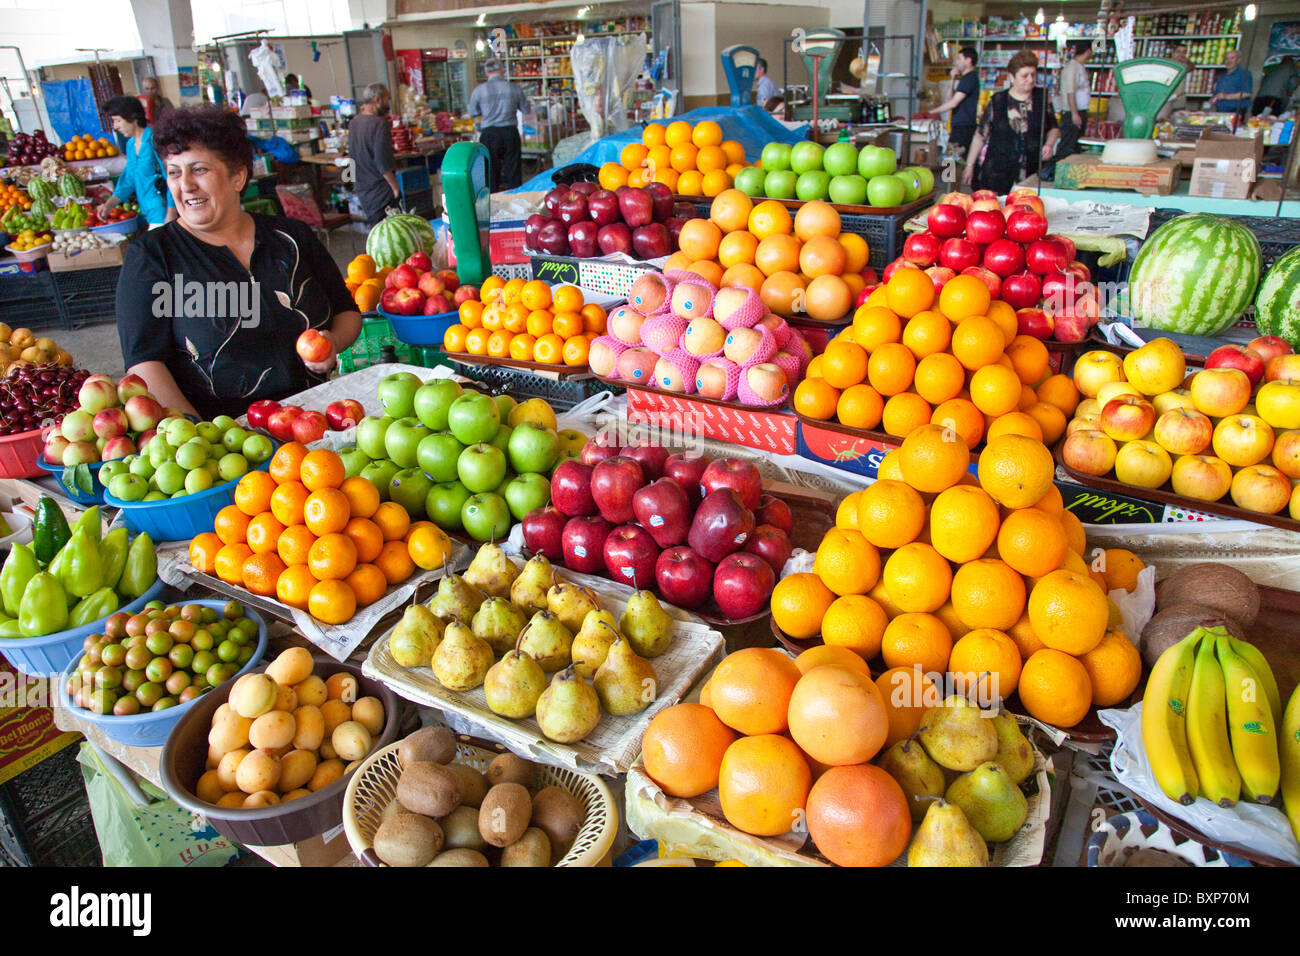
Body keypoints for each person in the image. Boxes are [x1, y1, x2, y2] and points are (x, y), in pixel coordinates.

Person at [114, 105, 361, 421]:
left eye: (199, 169)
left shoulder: (292, 238)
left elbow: (346, 311)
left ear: (238, 176)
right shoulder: (153, 256)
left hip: (316, 418)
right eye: (174, 171)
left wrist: (333, 342)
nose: (185, 184)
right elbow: (144, 363)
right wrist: (201, 436)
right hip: (224, 437)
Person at [962, 50, 1059, 194]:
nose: (1030, 79)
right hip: (997, 173)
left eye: (1033, 74)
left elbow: (1054, 128)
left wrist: (1049, 144)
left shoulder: (1042, 98)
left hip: (1031, 173)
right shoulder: (998, 101)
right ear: (1012, 77)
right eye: (1024, 75)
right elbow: (980, 135)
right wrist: (969, 165)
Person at [96, 95, 176, 229]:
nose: (115, 127)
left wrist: (172, 212)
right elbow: (128, 179)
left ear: (132, 118)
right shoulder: (131, 145)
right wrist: (109, 205)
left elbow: (172, 177)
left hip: (163, 211)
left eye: (117, 121)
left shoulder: (155, 141)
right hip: (148, 212)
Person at [467, 58, 534, 192]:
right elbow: (526, 109)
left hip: (489, 134)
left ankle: (492, 202)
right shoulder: (514, 88)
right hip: (510, 133)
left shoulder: (479, 91)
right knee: (513, 170)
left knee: (490, 171)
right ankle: (515, 200)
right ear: (502, 70)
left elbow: (472, 112)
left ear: (486, 73)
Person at [348, 83, 400, 228]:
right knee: (388, 232)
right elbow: (382, 162)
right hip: (380, 190)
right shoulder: (379, 125)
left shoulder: (354, 123)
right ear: (377, 99)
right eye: (387, 99)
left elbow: (352, 156)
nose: (388, 104)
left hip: (363, 188)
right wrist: (395, 187)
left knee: (376, 231)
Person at [926, 46, 980, 154]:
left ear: (968, 60)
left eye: (959, 59)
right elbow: (948, 100)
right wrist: (952, 78)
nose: (957, 62)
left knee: (953, 158)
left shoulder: (970, 78)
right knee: (951, 157)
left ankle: (954, 172)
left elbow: (954, 103)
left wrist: (931, 112)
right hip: (958, 125)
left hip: (964, 127)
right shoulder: (964, 79)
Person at [1053, 41, 1092, 164]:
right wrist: (1075, 113)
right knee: (1067, 147)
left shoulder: (1079, 67)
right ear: (1088, 51)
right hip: (1072, 113)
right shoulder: (1072, 67)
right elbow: (1070, 92)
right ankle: (1055, 171)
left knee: (1075, 146)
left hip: (1079, 111)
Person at [1207, 48, 1252, 116]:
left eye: (1232, 58)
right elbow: (1217, 93)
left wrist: (1226, 96)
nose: (1228, 61)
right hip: (1220, 112)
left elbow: (1246, 93)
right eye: (1227, 59)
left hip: (1235, 112)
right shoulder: (1222, 76)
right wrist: (1213, 99)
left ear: (1238, 60)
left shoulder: (1244, 74)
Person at [1157, 44, 1191, 120]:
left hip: (1180, 104)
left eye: (1184, 52)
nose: (1181, 55)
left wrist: (1187, 61)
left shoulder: (1184, 66)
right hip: (1167, 104)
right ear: (1173, 53)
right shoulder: (1166, 66)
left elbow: (1192, 67)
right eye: (1178, 52)